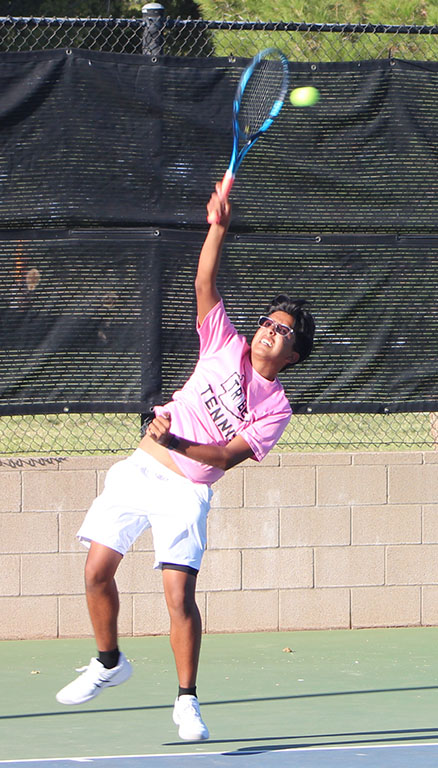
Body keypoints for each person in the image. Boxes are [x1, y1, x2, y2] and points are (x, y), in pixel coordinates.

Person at [55, 187, 315, 741]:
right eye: (270, 321)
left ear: (294, 356)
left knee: (179, 596)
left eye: (284, 331)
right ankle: (108, 662)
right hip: (140, 469)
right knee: (96, 571)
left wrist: (173, 441)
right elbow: (203, 282)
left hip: (186, 489)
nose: (271, 329)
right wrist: (217, 224)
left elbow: (223, 456)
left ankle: (186, 700)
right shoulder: (223, 341)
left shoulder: (278, 408)